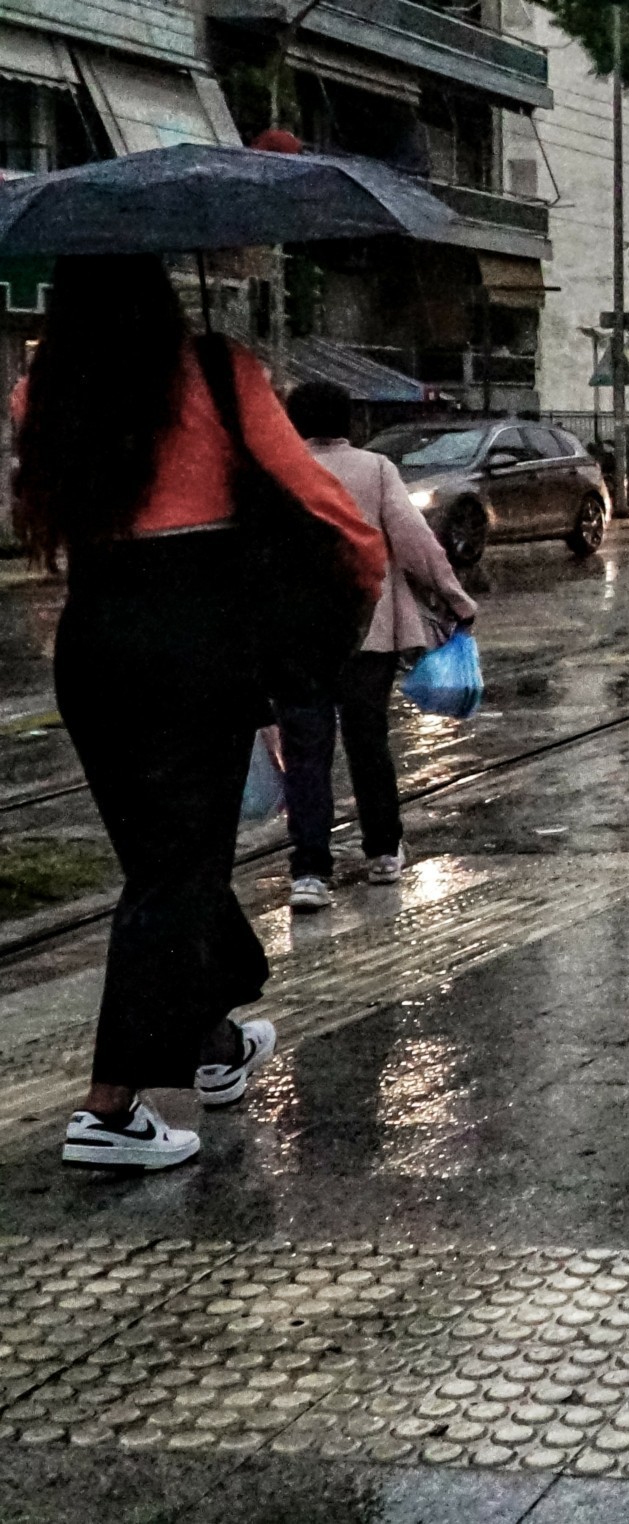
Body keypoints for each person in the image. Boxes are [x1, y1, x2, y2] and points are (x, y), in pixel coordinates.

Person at [13, 254, 383, 1171]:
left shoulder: (42, 392)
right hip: (194, 642)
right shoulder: (221, 371)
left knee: (163, 857)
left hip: (93, 642)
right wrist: (341, 616)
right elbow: (331, 514)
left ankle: (215, 1047)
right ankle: (110, 1108)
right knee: (176, 870)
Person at [280, 381, 477, 911]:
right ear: (350, 422)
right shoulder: (376, 470)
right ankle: (384, 851)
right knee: (368, 744)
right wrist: (456, 599)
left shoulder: (276, 470)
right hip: (368, 632)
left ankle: (310, 872)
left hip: (295, 638)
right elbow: (416, 543)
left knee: (306, 752)